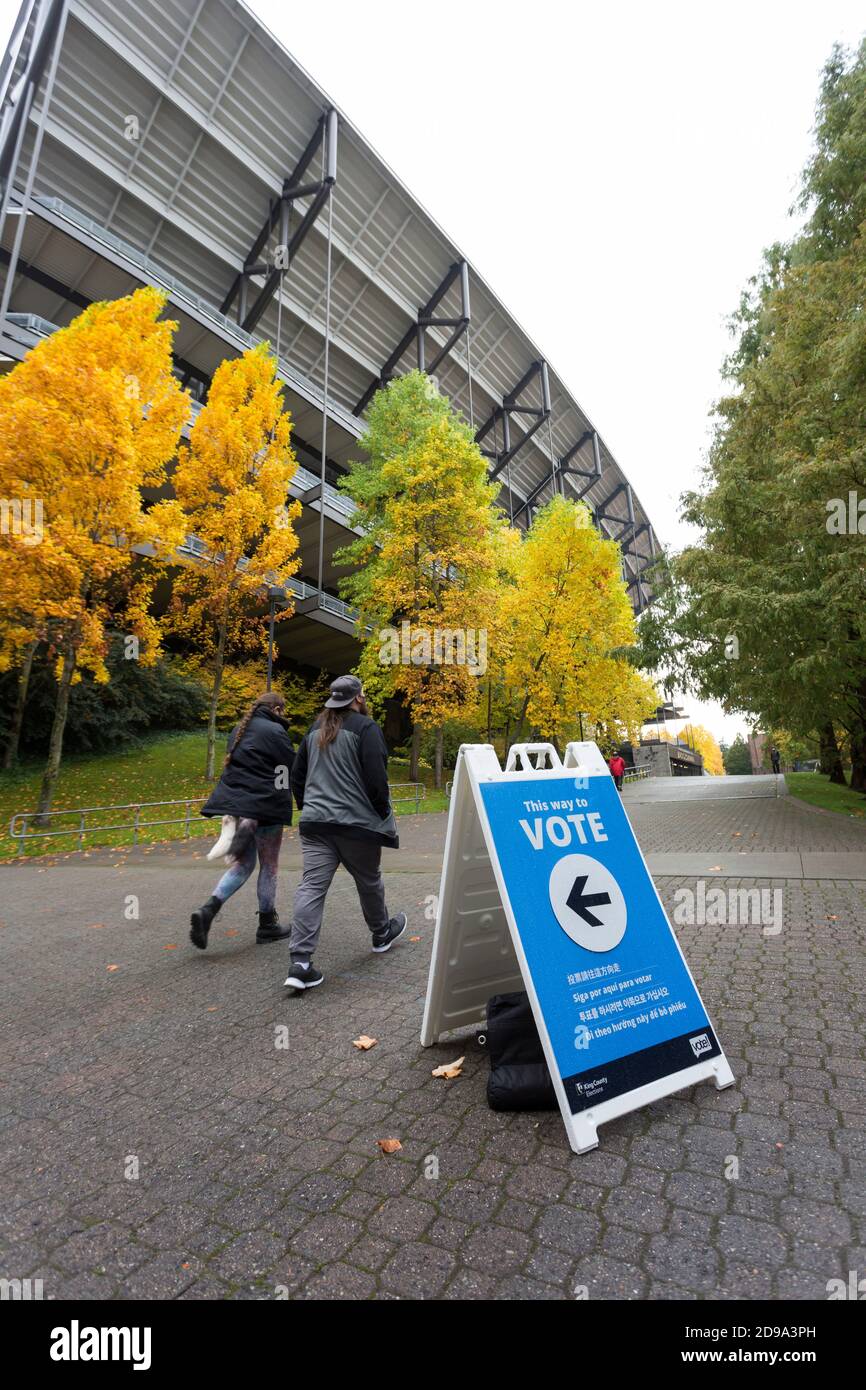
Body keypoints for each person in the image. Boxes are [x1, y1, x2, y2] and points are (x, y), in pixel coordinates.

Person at [284, 674, 406, 991]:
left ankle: (300, 964)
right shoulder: (367, 729)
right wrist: (380, 810)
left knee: (311, 888)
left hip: (315, 825)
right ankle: (381, 934)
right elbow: (377, 776)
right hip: (356, 825)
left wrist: (307, 805)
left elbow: (297, 775)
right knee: (368, 880)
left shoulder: (314, 730)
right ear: (358, 699)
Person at [190, 691, 295, 950]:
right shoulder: (275, 731)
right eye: (283, 710)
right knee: (268, 867)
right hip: (266, 807)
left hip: (238, 808)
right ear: (277, 709)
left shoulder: (239, 728)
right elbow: (288, 767)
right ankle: (267, 925)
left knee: (242, 865)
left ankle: (208, 909)